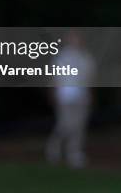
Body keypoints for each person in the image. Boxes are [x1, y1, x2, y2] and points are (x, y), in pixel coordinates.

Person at [46, 30, 96, 168]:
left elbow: (90, 78)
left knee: (79, 125)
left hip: (82, 96)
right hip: (65, 96)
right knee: (66, 124)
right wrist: (54, 93)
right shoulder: (61, 57)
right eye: (72, 38)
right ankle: (54, 148)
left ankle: (74, 153)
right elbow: (55, 78)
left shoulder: (86, 57)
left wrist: (90, 93)